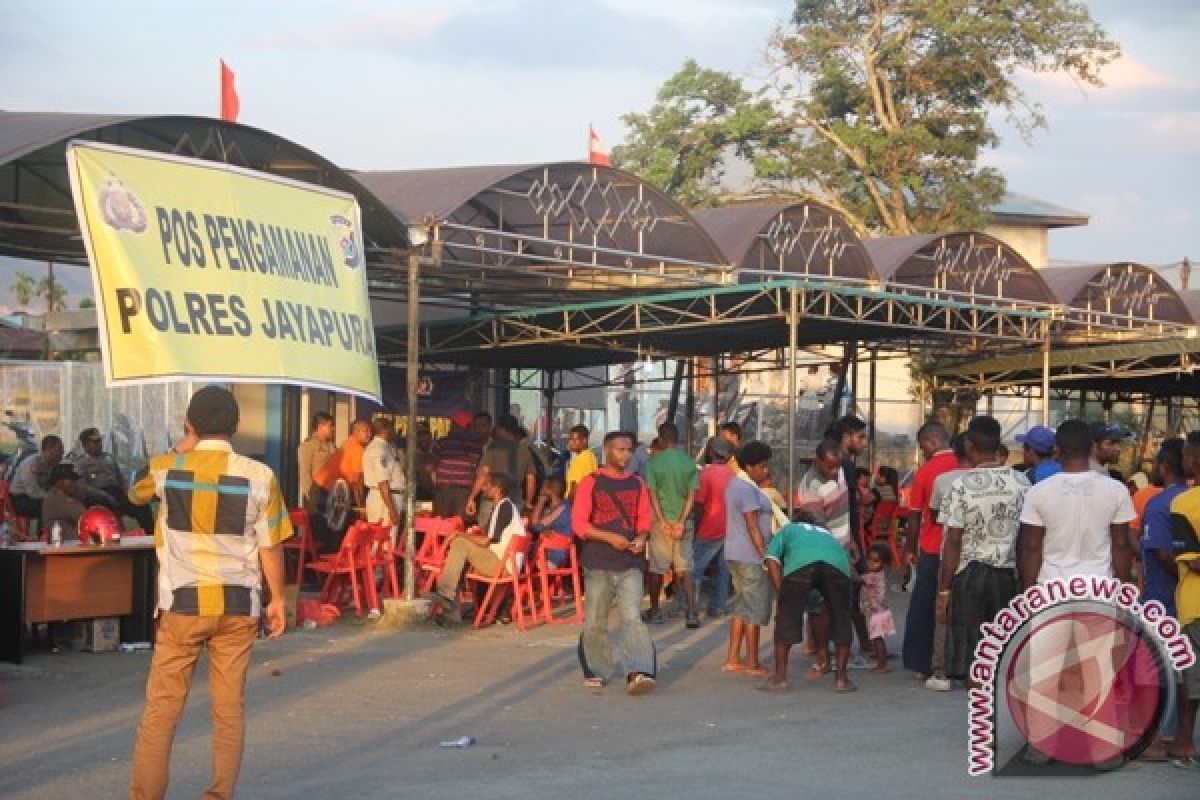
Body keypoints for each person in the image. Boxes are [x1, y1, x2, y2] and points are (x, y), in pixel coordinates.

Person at [128, 386, 291, 800]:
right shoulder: (261, 476)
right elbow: (270, 545)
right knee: (228, 710)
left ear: (191, 425)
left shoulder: (167, 469)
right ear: (236, 426)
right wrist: (279, 601)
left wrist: (182, 445)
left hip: (183, 605)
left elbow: (133, 491)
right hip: (238, 606)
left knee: (162, 711)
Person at [936, 416, 1029, 689]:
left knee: (970, 653)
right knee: (1002, 644)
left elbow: (953, 540)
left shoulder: (961, 486)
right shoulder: (1023, 483)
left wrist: (944, 589)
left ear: (970, 447)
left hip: (968, 574)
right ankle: (997, 700)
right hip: (1008, 573)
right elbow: (1029, 538)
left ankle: (977, 703)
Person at [571, 431, 657, 695]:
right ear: (606, 450)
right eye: (620, 449)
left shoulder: (638, 483)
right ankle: (596, 669)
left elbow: (645, 520)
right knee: (596, 619)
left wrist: (642, 538)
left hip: (630, 560)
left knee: (632, 617)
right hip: (598, 561)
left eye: (629, 450)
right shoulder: (590, 483)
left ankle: (639, 671)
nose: (626, 455)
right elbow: (579, 525)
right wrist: (609, 537)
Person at [1018, 419, 1135, 586]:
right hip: (1099, 590)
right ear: (1091, 449)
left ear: (1057, 451)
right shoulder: (1117, 490)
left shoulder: (1038, 492)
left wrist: (1029, 595)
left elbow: (1032, 548)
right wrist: (1123, 592)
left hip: (1052, 591)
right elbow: (1121, 545)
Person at [763, 518, 855, 692]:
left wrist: (783, 594)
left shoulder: (788, 529)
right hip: (837, 566)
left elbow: (771, 559)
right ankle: (841, 680)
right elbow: (843, 559)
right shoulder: (827, 533)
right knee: (842, 618)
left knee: (786, 619)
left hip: (801, 564)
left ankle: (780, 678)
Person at [901, 420, 957, 679]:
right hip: (962, 550)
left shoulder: (925, 472)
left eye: (922, 445)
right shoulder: (964, 465)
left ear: (931, 441)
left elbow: (914, 516)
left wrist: (909, 549)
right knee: (957, 607)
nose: (922, 451)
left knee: (924, 606)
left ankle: (920, 662)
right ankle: (956, 662)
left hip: (933, 548)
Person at [429, 473, 525, 623]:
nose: (483, 489)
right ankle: (451, 613)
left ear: (497, 488)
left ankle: (445, 595)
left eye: (487, 485)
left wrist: (461, 534)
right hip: (503, 560)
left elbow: (486, 542)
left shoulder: (504, 507)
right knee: (460, 559)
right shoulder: (503, 506)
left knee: (460, 543)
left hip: (503, 564)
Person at [722, 441, 775, 678]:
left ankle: (734, 657)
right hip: (750, 555)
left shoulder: (736, 485)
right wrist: (765, 556)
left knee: (741, 607)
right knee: (754, 608)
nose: (766, 471)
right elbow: (753, 526)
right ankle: (753, 662)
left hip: (735, 553)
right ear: (750, 466)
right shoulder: (746, 489)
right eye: (762, 466)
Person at [644, 422, 700, 627]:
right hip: (684, 524)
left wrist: (664, 521)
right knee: (686, 567)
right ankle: (692, 612)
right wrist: (681, 522)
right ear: (678, 439)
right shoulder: (688, 463)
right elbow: (692, 496)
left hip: (661, 524)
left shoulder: (654, 464)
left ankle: (655, 610)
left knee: (657, 568)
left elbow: (653, 496)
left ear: (660, 439)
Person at [1168, 432, 1200, 768]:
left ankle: (1184, 740)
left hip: (1195, 604)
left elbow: (1191, 559)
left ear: (1193, 461)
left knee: (1190, 677)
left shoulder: (1184, 503)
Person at [72, 427, 156, 534]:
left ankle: (150, 535)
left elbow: (120, 478)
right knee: (102, 503)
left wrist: (127, 493)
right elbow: (83, 486)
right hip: (97, 496)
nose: (99, 444)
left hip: (116, 492)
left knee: (141, 505)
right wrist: (104, 495)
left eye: (99, 441)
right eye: (95, 442)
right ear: (85, 445)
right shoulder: (81, 463)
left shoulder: (108, 458)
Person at [693, 436, 736, 618]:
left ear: (711, 453)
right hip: (729, 529)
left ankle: (692, 607)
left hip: (708, 528)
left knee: (696, 569)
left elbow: (699, 505)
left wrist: (695, 527)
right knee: (723, 570)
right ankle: (717, 607)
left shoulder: (705, 474)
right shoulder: (733, 475)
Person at [466, 414, 536, 524]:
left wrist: (472, 496)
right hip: (515, 500)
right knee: (509, 533)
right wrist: (528, 501)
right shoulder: (525, 450)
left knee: (486, 533)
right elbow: (531, 479)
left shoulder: (494, 447)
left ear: (502, 429)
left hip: (491, 499)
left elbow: (484, 473)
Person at [430, 410, 485, 518]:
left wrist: (436, 484)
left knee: (440, 525)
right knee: (459, 527)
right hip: (464, 492)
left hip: (444, 491)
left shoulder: (442, 443)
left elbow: (430, 467)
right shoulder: (477, 447)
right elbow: (479, 472)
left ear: (455, 425)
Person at [313, 419, 373, 511]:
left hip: (320, 489)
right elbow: (357, 483)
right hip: (327, 492)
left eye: (370, 431)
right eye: (366, 431)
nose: (369, 434)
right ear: (355, 432)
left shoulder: (348, 442)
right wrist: (361, 507)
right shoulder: (357, 449)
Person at [860, 541, 896, 674]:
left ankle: (882, 665)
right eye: (869, 559)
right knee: (878, 639)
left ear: (884, 563)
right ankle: (881, 658)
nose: (870, 563)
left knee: (877, 639)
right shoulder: (878, 574)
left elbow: (859, 579)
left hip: (877, 614)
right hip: (881, 611)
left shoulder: (873, 576)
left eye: (875, 561)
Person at [10, 434, 63, 521]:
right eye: (60, 450)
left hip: (34, 497)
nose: (62, 453)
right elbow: (33, 492)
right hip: (20, 500)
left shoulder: (51, 464)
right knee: (52, 508)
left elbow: (46, 485)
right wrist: (54, 497)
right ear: (49, 451)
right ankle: (44, 534)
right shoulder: (32, 464)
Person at [529, 474, 571, 568]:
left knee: (519, 556)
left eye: (543, 487)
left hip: (552, 557)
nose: (540, 490)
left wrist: (540, 501)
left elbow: (535, 525)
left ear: (548, 490)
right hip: (561, 555)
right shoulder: (565, 505)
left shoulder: (562, 508)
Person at [296, 412, 335, 510]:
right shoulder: (308, 445)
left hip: (331, 492)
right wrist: (310, 494)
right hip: (316, 491)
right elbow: (304, 471)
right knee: (317, 522)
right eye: (330, 425)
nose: (333, 429)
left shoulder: (331, 445)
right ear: (320, 426)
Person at [41, 462, 86, 540]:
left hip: (69, 542)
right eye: (72, 480)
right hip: (66, 545)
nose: (75, 484)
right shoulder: (56, 497)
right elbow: (84, 515)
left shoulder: (60, 495)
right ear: (59, 481)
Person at [564, 424, 598, 499]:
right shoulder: (591, 456)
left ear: (584, 441)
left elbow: (576, 487)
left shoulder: (581, 459)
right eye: (569, 440)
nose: (570, 443)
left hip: (575, 503)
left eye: (574, 440)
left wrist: (569, 505)